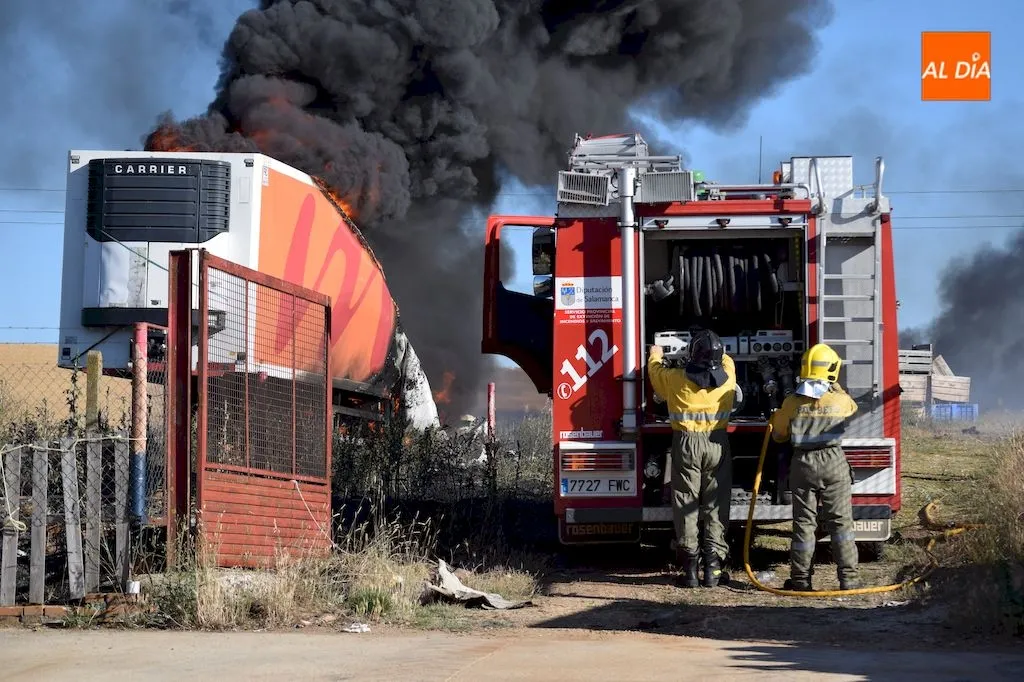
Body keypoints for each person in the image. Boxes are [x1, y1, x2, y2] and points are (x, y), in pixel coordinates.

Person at [647, 329, 737, 588]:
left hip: (686, 444)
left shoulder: (675, 379)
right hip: (717, 443)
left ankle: (689, 570)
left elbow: (655, 374)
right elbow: (726, 360)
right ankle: (713, 569)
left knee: (686, 502)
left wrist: (655, 355)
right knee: (716, 504)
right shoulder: (729, 376)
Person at [768, 343, 861, 591]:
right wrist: (836, 388)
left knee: (804, 523)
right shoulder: (840, 401)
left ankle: (800, 580)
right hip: (833, 462)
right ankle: (849, 579)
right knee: (841, 523)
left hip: (803, 464)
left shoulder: (791, 403)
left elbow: (779, 436)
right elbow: (853, 408)